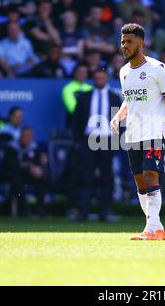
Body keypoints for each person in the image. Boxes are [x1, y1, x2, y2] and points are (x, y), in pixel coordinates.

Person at [110, 23, 165, 240]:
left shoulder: (158, 68)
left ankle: (150, 229)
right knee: (140, 182)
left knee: (151, 175)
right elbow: (129, 99)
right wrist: (119, 115)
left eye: (129, 42)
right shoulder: (124, 72)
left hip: (154, 132)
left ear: (141, 43)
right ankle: (156, 228)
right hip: (133, 134)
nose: (124, 46)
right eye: (122, 41)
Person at [71, 69, 121, 222]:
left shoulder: (114, 98)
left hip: (107, 140)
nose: (99, 80)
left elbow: (121, 121)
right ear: (93, 79)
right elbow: (76, 121)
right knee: (85, 177)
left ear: (106, 79)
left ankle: (104, 212)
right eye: (97, 78)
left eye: (102, 78)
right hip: (88, 139)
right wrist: (79, 141)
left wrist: (117, 142)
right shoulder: (84, 97)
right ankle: (83, 212)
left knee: (107, 178)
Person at [1, 126, 48, 217]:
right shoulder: (11, 147)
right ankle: (25, 211)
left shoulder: (34, 148)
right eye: (25, 136)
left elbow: (38, 162)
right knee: (17, 180)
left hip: (28, 176)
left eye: (30, 136)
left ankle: (39, 209)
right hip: (12, 176)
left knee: (43, 177)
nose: (28, 138)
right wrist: (29, 168)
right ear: (20, 136)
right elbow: (12, 166)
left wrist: (40, 167)